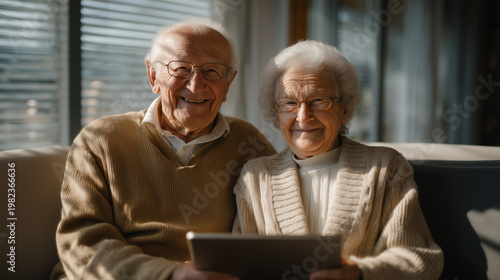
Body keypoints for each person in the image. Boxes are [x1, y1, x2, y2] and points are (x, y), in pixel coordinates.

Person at [50, 20, 276, 280]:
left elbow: (281, 223)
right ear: (153, 76)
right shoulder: (100, 140)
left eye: (212, 71)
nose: (195, 84)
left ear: (228, 82)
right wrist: (171, 274)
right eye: (181, 68)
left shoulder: (249, 143)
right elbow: (81, 242)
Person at [232, 40, 444, 280]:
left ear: (344, 109)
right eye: (290, 103)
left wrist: (360, 272)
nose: (303, 116)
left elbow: (421, 259)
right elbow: (240, 265)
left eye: (318, 101)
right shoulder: (255, 177)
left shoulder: (385, 167)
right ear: (277, 112)